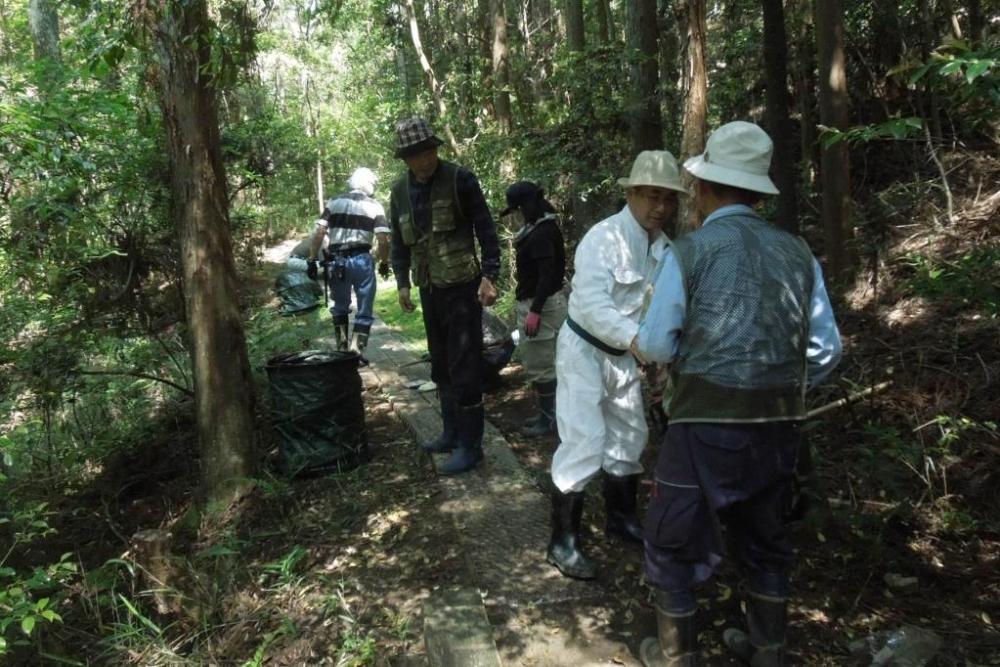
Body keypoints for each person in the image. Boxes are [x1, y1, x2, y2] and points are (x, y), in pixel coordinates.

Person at [633, 121, 842, 666]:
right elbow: (825, 350)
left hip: (704, 423)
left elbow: (655, 343)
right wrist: (778, 387)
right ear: (757, 192)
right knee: (766, 535)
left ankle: (678, 656)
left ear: (703, 189)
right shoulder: (798, 253)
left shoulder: (691, 252)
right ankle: (768, 649)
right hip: (779, 427)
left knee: (674, 536)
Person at [547, 151, 687, 580]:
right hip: (584, 352)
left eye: (667, 199)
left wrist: (659, 359)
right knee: (584, 438)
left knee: (629, 435)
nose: (659, 207)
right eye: (650, 196)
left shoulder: (665, 250)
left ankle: (621, 518)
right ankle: (562, 540)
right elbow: (589, 304)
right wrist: (635, 340)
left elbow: (657, 310)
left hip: (627, 357)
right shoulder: (602, 238)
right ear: (630, 193)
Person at [388, 117, 501, 475]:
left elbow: (485, 228)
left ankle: (472, 446)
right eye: (416, 154)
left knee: (465, 367)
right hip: (429, 288)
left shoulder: (459, 179)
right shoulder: (399, 192)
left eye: (429, 150)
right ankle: (451, 433)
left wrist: (489, 276)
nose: (425, 159)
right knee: (440, 364)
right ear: (405, 158)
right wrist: (402, 282)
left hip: (462, 287)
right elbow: (397, 241)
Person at [499, 182, 567, 437]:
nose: (515, 216)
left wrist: (535, 311)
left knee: (542, 365)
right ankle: (551, 415)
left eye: (516, 210)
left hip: (543, 306)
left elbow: (547, 275)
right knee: (549, 363)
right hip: (546, 303)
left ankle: (550, 419)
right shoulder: (541, 228)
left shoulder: (541, 234)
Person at [307, 167, 390, 360]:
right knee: (364, 310)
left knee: (340, 307)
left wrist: (312, 260)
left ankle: (342, 352)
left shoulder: (334, 202)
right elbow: (383, 239)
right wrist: (384, 262)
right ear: (370, 185)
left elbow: (319, 233)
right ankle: (356, 354)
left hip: (337, 262)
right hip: (362, 260)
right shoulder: (375, 206)